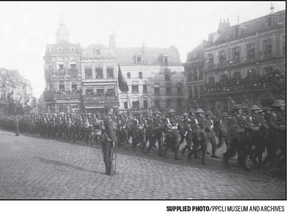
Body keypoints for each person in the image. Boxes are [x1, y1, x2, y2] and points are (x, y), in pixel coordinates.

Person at [102, 104, 117, 175]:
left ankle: (108, 169)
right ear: (109, 110)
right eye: (111, 109)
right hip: (108, 139)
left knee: (107, 154)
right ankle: (108, 170)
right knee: (107, 154)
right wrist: (114, 139)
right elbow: (111, 130)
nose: (112, 110)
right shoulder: (109, 119)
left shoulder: (107, 117)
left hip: (107, 138)